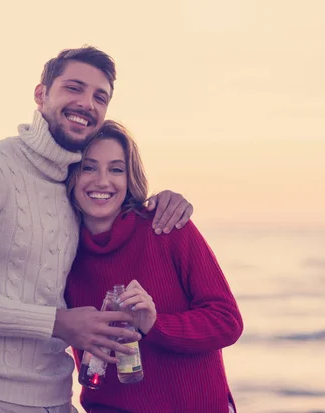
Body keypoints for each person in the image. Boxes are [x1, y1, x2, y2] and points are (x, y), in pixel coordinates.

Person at [0, 46, 194, 413]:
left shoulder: (73, 185)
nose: (87, 103)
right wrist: (59, 322)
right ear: (41, 94)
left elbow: (113, 212)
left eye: (100, 97)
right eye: (74, 88)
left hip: (56, 397)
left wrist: (164, 200)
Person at [64, 120, 243, 413]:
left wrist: (154, 325)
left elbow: (228, 322)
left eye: (116, 169)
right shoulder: (61, 251)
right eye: (88, 167)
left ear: (129, 177)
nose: (102, 181)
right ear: (72, 174)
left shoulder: (166, 227)